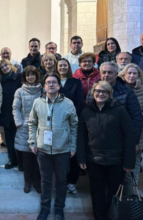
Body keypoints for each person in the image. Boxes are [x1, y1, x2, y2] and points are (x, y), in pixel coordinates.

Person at [77, 81, 136, 220]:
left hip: (116, 160)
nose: (100, 94)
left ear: (110, 94)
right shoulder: (86, 112)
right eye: (97, 91)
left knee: (114, 193)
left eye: (104, 92)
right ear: (93, 93)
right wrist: (81, 158)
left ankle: (112, 216)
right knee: (96, 192)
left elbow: (129, 135)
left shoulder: (120, 110)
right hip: (94, 160)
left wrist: (129, 161)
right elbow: (81, 136)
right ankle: (100, 217)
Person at [28, 74, 78, 220]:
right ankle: (44, 209)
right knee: (46, 180)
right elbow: (32, 123)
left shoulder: (68, 103)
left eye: (54, 82)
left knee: (61, 181)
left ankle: (59, 209)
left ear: (59, 85)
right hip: (42, 149)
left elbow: (74, 125)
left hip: (62, 149)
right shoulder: (37, 102)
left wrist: (73, 145)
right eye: (48, 82)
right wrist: (32, 142)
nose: (51, 85)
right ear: (44, 86)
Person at [118, 64, 143, 184]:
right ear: (123, 74)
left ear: (139, 75)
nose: (131, 76)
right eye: (129, 73)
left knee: (136, 160)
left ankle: (133, 189)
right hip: (120, 128)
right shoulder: (118, 87)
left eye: (134, 73)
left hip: (138, 128)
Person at [97, 62, 143, 148]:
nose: (106, 75)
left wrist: (134, 141)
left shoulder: (127, 91)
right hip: (98, 139)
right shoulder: (93, 90)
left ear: (116, 74)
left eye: (110, 72)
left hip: (120, 139)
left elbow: (136, 117)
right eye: (104, 72)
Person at [56, 58, 84, 194]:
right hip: (56, 122)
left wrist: (71, 118)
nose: (62, 67)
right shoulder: (52, 81)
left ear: (68, 67)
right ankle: (60, 181)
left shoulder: (76, 82)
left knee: (72, 153)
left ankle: (72, 181)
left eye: (64, 65)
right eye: (60, 65)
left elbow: (79, 102)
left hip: (71, 121)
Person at [13, 65, 42, 193]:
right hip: (25, 127)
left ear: (36, 76)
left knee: (39, 158)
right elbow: (16, 108)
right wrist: (20, 123)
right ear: (24, 77)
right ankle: (28, 181)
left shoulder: (42, 90)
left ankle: (37, 182)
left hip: (41, 128)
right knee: (27, 158)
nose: (30, 77)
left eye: (33, 74)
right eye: (28, 75)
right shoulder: (19, 91)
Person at [0, 59, 22, 169]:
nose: (4, 68)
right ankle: (12, 160)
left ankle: (21, 162)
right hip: (6, 113)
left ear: (10, 65)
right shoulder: (1, 81)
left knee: (19, 139)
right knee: (9, 139)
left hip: (18, 113)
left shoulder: (19, 78)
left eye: (6, 65)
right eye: (2, 67)